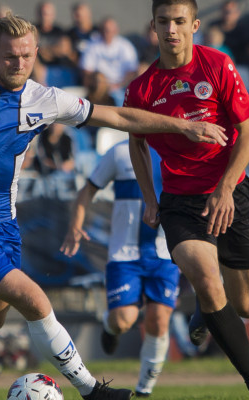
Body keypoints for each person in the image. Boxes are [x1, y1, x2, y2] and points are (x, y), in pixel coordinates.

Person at [0, 13, 226, 400]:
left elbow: (120, 116)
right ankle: (91, 390)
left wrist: (181, 125)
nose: (19, 63)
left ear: (36, 52)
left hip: (4, 229)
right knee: (35, 301)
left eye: (26, 55)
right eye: (9, 56)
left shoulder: (46, 99)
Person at [124, 1, 249, 399]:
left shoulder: (217, 65)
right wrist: (149, 197)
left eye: (179, 21)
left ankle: (205, 311)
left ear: (194, 25)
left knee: (246, 306)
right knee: (208, 281)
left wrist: (225, 188)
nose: (171, 30)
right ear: (153, 27)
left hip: (231, 193)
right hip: (181, 203)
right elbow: (136, 143)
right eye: (163, 22)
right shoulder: (141, 89)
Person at [61, 140, 179, 397]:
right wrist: (75, 224)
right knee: (122, 321)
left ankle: (144, 390)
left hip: (165, 253)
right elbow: (88, 189)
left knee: (159, 320)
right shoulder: (119, 152)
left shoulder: (176, 147)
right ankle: (109, 325)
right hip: (124, 255)